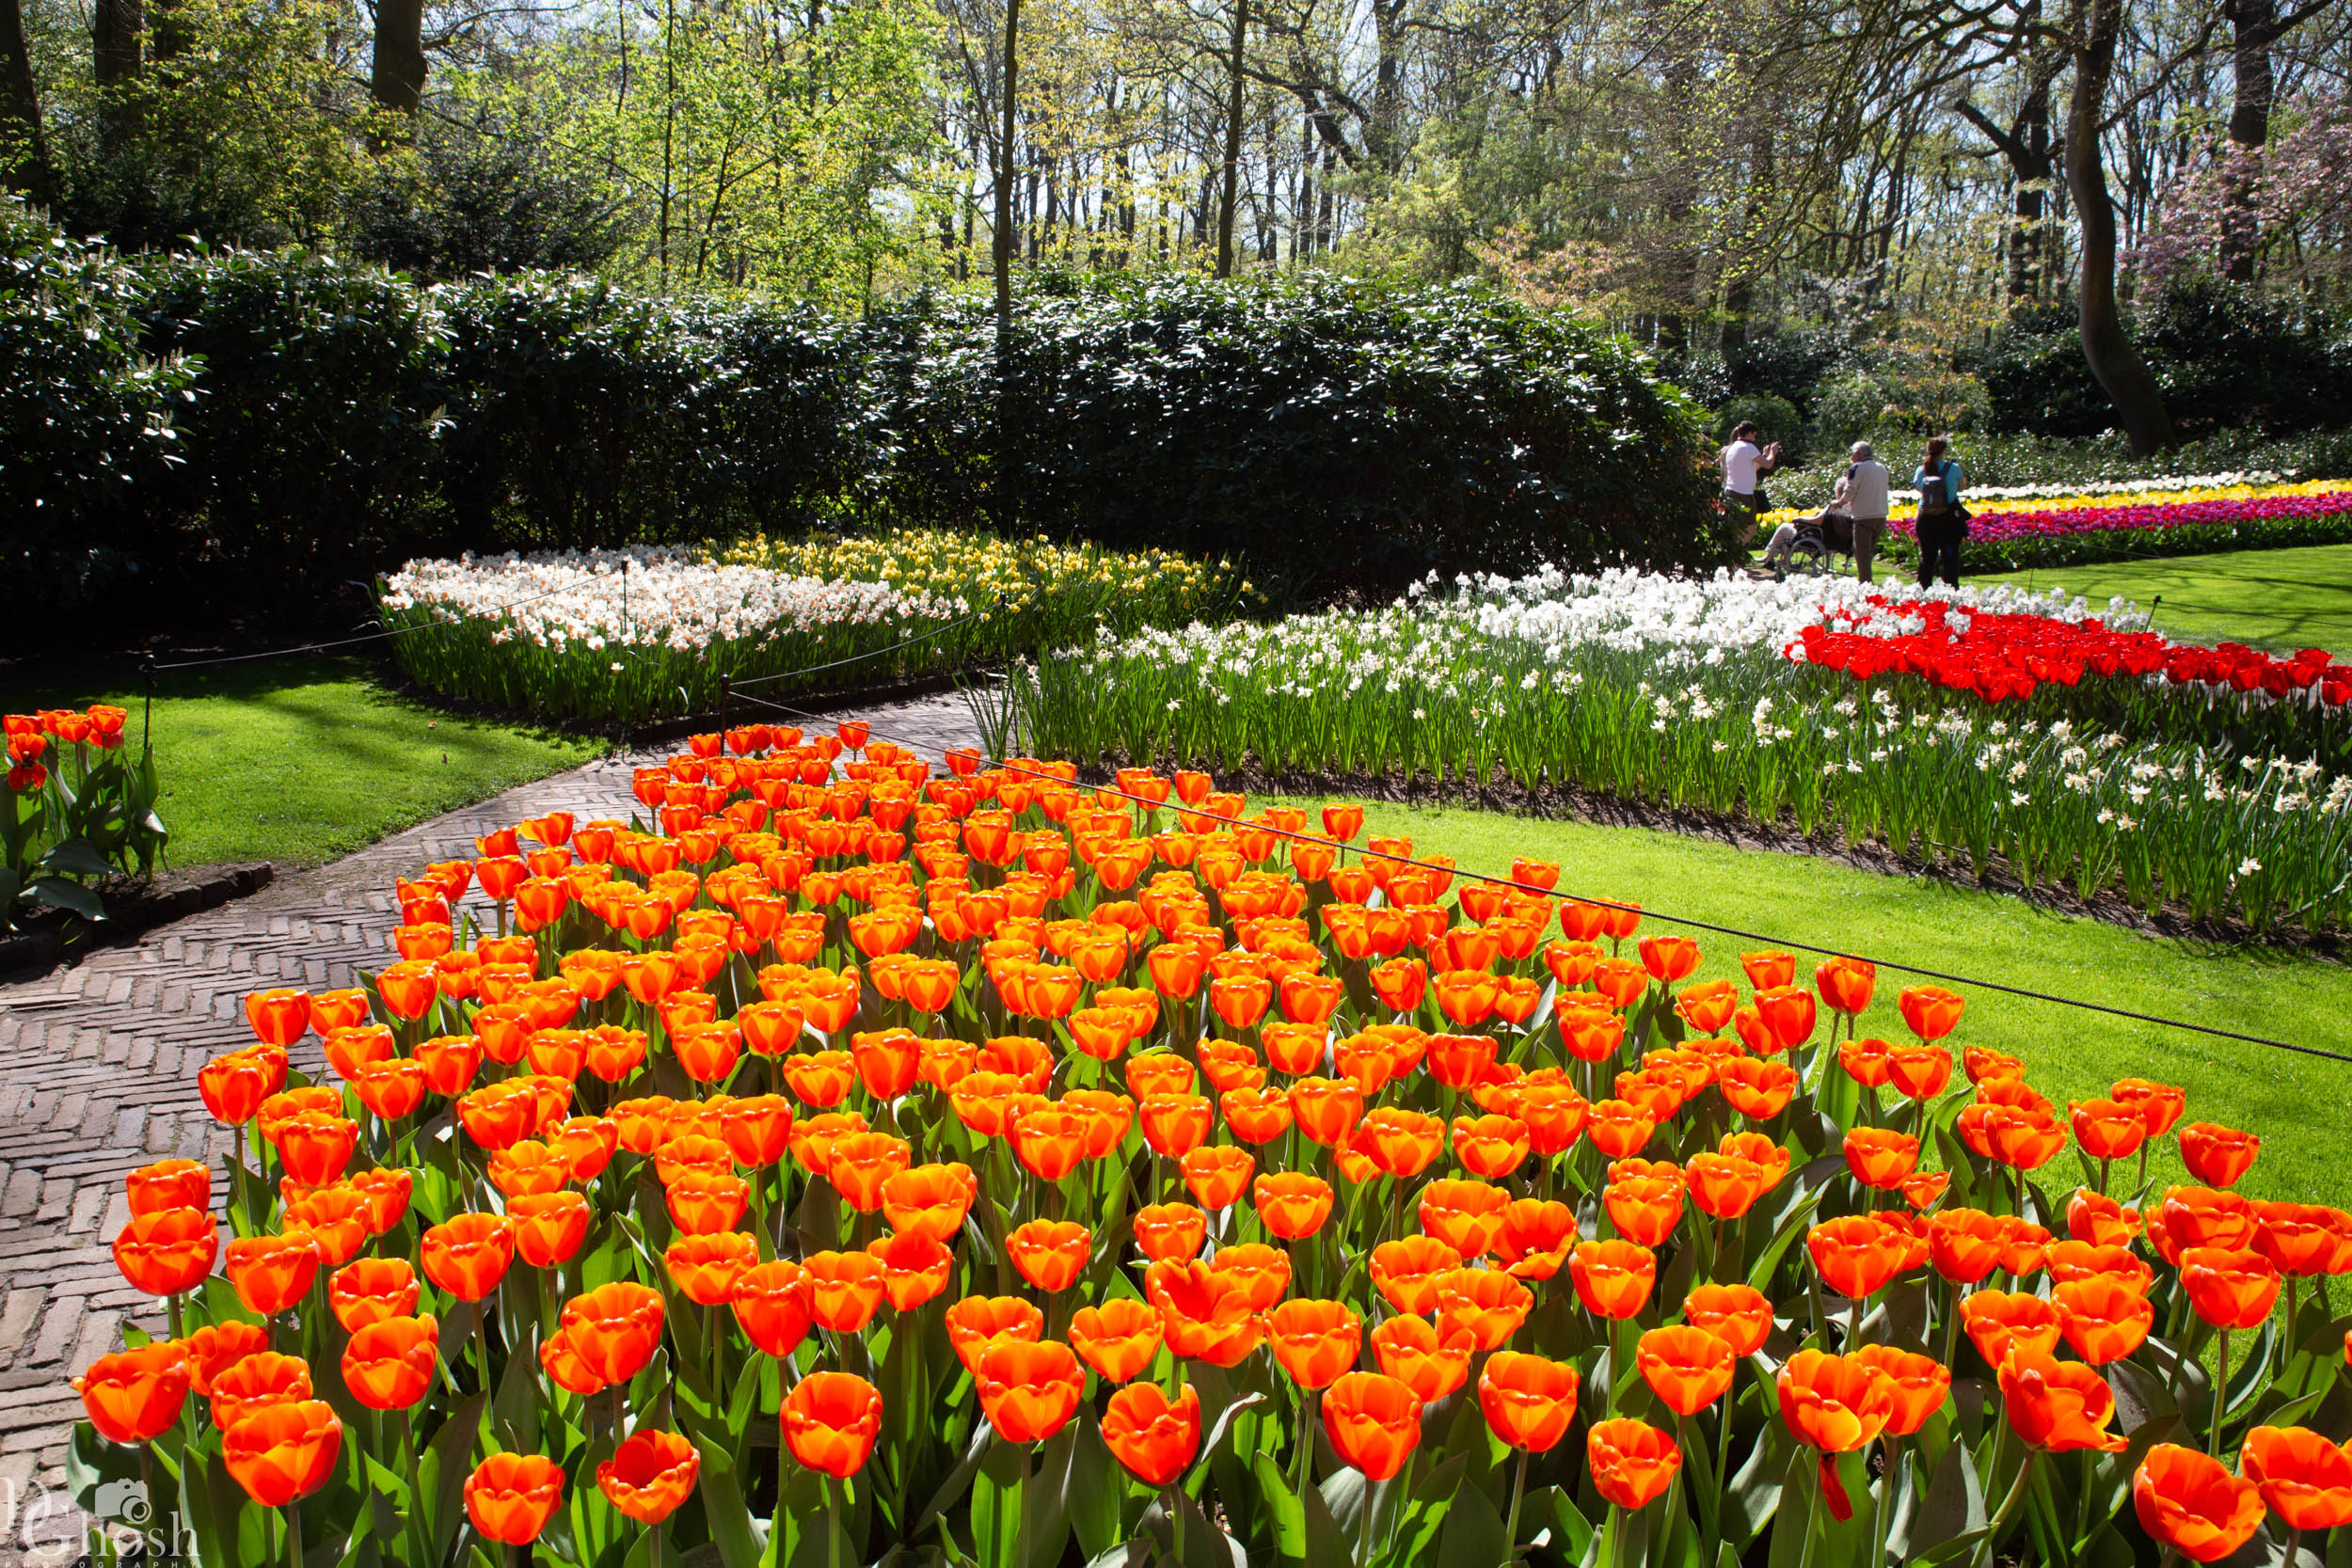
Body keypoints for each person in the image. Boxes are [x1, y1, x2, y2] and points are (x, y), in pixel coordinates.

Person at [1911, 435, 1967, 589]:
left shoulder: (1921, 470)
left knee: (1927, 557)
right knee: (1950, 556)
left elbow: (1918, 488)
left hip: (1926, 519)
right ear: (1944, 451)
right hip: (1947, 519)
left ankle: (1922, 590)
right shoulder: (1953, 469)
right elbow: (1962, 487)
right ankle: (1951, 590)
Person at [1721, 420, 1781, 547]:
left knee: (1737, 528)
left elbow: (1752, 468)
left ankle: (1732, 551)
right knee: (1751, 528)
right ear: (1749, 433)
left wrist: (1763, 455)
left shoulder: (1733, 448)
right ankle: (1735, 552)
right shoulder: (1748, 447)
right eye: (1754, 435)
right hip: (1743, 494)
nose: (1754, 438)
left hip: (1731, 492)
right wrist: (1772, 453)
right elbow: (1768, 464)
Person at [1844, 441, 1891, 584]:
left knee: (1862, 554)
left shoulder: (1857, 467)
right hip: (1880, 515)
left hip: (1864, 516)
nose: (1851, 456)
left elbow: (1851, 490)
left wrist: (1840, 502)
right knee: (1869, 552)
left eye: (1852, 453)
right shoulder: (1881, 468)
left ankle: (1865, 584)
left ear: (1858, 454)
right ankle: (1867, 581)